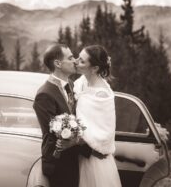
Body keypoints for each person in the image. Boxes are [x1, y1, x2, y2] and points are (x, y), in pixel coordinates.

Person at [33, 44, 94, 187]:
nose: (75, 61)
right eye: (71, 57)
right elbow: (53, 133)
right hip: (59, 163)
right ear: (58, 63)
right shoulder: (44, 94)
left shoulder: (71, 85)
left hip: (74, 158)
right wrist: (85, 142)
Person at [74, 45, 122, 187]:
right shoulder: (81, 82)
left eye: (82, 61)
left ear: (94, 68)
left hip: (94, 159)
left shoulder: (102, 94)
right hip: (79, 153)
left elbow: (104, 131)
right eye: (77, 57)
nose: (76, 62)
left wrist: (77, 136)